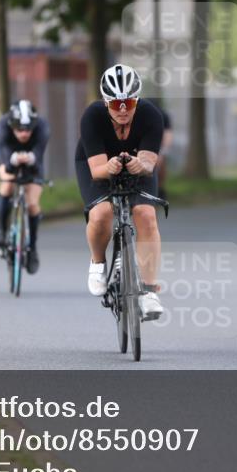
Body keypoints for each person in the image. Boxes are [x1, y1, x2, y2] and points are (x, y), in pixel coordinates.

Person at [75, 64, 165, 320]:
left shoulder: (151, 115)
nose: (123, 110)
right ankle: (97, 262)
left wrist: (141, 164)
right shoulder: (92, 116)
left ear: (136, 100)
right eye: (116, 105)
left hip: (137, 167)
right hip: (96, 164)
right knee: (101, 212)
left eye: (128, 103)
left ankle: (148, 291)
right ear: (106, 103)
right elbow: (96, 170)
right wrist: (110, 166)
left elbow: (149, 163)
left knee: (146, 215)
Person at [0, 99, 50, 274]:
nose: (24, 133)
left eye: (28, 129)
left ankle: (31, 247)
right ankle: (2, 231)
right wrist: (12, 160)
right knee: (7, 185)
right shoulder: (1, 127)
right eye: (19, 129)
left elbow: (39, 152)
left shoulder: (42, 127)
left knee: (32, 203)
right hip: (8, 155)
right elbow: (2, 150)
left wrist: (31, 158)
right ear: (11, 126)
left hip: (33, 162)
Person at [141, 98, 173, 199]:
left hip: (159, 145)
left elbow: (168, 135)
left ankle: (160, 189)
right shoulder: (139, 115)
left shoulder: (163, 115)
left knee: (160, 167)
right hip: (143, 144)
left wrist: (163, 153)